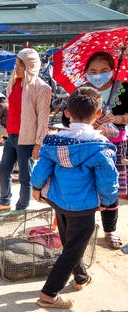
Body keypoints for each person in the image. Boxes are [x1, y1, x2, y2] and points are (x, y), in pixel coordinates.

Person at [31, 87, 118, 309]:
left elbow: (41, 169)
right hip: (84, 207)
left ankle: (81, 278)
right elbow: (108, 181)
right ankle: (49, 293)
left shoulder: (54, 142)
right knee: (73, 249)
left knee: (71, 244)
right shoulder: (99, 148)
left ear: (67, 113)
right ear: (98, 114)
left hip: (59, 201)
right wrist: (107, 202)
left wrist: (36, 188)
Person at [62, 51, 127, 249]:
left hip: (113, 145)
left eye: (104, 70)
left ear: (113, 70)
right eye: (93, 71)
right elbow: (66, 118)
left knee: (109, 188)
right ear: (86, 72)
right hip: (86, 145)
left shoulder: (123, 88)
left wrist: (116, 119)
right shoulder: (81, 91)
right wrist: (87, 119)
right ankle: (83, 230)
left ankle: (110, 230)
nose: (98, 74)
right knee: (85, 186)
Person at [0, 48, 51, 212]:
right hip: (12, 135)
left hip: (28, 139)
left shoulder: (42, 88)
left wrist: (38, 144)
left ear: (30, 66)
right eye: (16, 64)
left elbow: (43, 119)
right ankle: (5, 202)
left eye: (19, 65)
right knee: (4, 170)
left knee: (25, 176)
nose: (16, 68)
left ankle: (22, 207)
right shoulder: (15, 82)